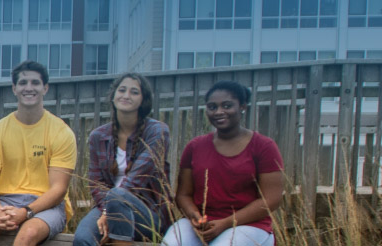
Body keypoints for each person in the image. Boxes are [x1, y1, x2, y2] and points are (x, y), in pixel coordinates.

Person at [0, 61, 77, 246]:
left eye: (35, 83)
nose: (29, 88)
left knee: (27, 234)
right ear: (14, 88)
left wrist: (26, 212)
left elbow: (59, 189)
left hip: (46, 205)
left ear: (45, 88)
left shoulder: (61, 132)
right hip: (3, 200)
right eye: (23, 83)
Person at [162, 80, 284, 246]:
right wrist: (195, 217)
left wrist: (226, 223)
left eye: (227, 106)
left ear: (242, 106)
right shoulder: (195, 146)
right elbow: (183, 195)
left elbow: (271, 200)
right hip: (203, 224)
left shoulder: (264, 146)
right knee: (172, 243)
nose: (219, 112)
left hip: (248, 225)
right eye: (212, 107)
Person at [73, 73, 170, 245]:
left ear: (143, 100)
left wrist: (109, 212)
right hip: (107, 207)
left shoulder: (157, 131)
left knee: (118, 195)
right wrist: (107, 210)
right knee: (83, 239)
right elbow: (96, 182)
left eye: (134, 92)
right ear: (113, 96)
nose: (126, 95)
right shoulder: (99, 135)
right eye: (122, 90)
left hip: (147, 213)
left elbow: (136, 180)